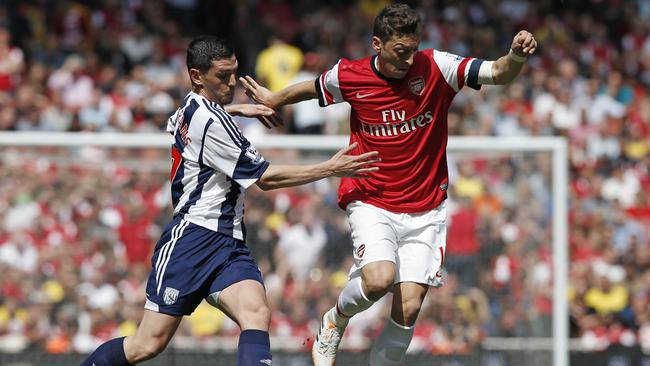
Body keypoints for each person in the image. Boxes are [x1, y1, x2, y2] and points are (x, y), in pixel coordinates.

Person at [240, 3, 537, 365]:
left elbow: (497, 73)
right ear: (377, 43)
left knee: (408, 308)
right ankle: (334, 320)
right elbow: (313, 88)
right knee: (379, 280)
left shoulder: (436, 66)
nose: (408, 60)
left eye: (412, 50)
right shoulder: (351, 75)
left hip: (426, 208)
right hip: (372, 198)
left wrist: (515, 56)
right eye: (400, 52)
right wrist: (274, 98)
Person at [80, 35, 380, 366]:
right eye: (223, 75)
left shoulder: (193, 108)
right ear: (197, 76)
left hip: (227, 242)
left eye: (234, 72)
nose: (232, 81)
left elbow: (182, 122)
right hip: (191, 240)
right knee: (147, 345)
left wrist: (234, 108)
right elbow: (266, 180)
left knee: (256, 311)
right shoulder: (212, 123)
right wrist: (331, 168)